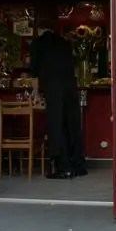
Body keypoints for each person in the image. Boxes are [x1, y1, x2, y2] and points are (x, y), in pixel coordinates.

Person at [30, 15, 87, 179]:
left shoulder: (38, 43)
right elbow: (72, 66)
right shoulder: (64, 43)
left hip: (53, 87)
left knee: (57, 125)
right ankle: (79, 164)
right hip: (70, 86)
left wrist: (35, 92)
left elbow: (34, 71)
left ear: (40, 29)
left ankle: (63, 166)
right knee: (72, 124)